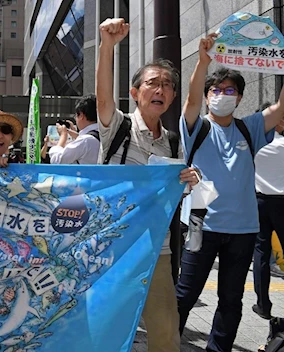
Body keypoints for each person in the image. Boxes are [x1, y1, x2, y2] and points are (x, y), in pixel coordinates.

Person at [96, 18, 199, 352]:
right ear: (135, 93)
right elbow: (102, 100)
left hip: (158, 249)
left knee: (167, 333)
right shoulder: (118, 128)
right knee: (106, 330)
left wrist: (187, 180)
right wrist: (108, 46)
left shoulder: (172, 143)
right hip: (113, 248)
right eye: (153, 83)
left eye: (167, 85)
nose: (161, 89)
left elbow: (175, 192)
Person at [177, 34, 284, 351]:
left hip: (243, 230)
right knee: (185, 294)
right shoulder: (197, 126)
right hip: (202, 227)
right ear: (208, 95)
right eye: (216, 90)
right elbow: (191, 101)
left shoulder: (248, 128)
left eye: (230, 91)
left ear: (239, 98)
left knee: (231, 300)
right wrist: (202, 62)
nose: (222, 95)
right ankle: (166, 344)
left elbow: (280, 109)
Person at [251, 102, 284, 320]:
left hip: (259, 200)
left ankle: (263, 304)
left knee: (261, 253)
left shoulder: (255, 144)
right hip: (282, 202)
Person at [49, 95, 100, 164]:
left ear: (81, 115)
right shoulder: (104, 134)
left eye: (76, 116)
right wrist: (76, 135)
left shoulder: (85, 141)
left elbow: (57, 161)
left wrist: (63, 136)